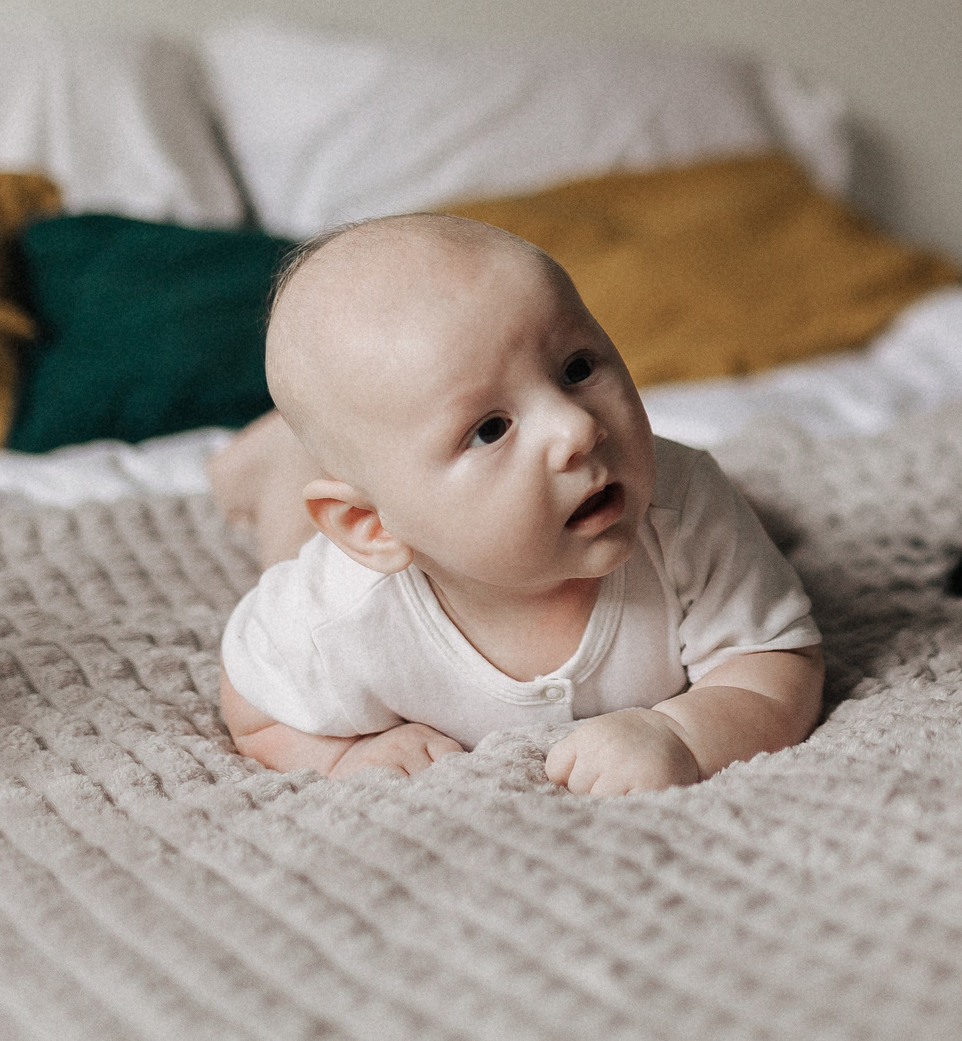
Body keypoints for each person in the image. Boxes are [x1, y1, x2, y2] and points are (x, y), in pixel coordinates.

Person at [215, 214, 822, 796]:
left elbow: (774, 660)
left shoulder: (686, 508)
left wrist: (684, 734)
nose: (577, 428)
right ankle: (278, 459)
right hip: (361, 564)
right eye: (490, 429)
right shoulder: (334, 615)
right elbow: (257, 711)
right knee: (288, 543)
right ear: (369, 525)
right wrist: (346, 755)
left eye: (577, 368)